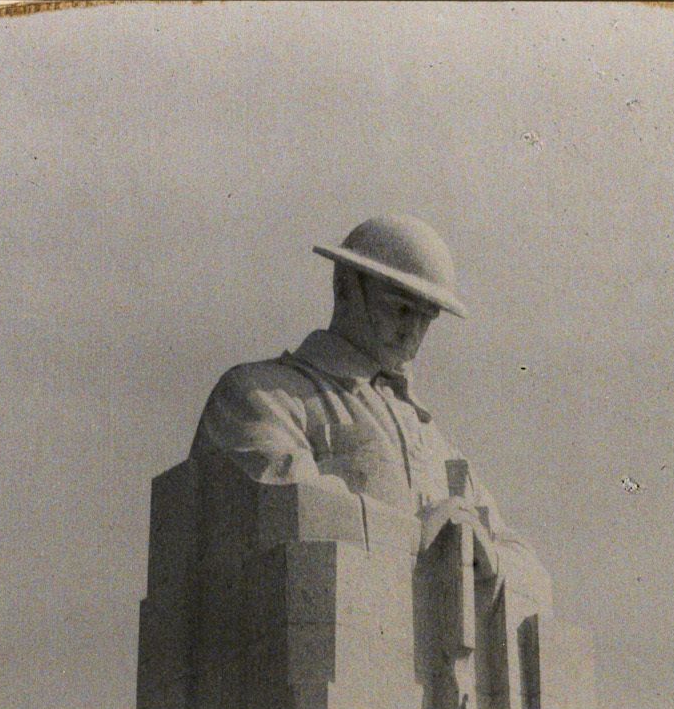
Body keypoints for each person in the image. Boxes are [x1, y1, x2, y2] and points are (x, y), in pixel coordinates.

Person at [191, 216, 548, 608]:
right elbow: (292, 513)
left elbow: (528, 567)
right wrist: (422, 535)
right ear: (346, 286)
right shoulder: (259, 395)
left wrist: (489, 559)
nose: (412, 332)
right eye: (399, 310)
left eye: (426, 319)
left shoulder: (438, 447)